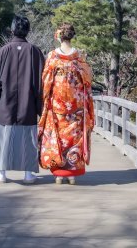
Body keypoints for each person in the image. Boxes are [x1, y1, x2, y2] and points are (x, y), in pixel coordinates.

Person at [0, 15, 45, 184]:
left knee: (4, 136)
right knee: (28, 137)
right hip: (28, 102)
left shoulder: (4, 50)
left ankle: (2, 173)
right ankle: (28, 174)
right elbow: (41, 80)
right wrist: (39, 102)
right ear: (28, 30)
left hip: (6, 100)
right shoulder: (34, 51)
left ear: (12, 29)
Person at [38, 22, 95, 185]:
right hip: (76, 104)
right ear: (72, 35)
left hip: (57, 104)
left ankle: (59, 175)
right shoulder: (80, 56)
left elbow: (46, 81)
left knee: (58, 138)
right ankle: (72, 175)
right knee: (74, 139)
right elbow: (87, 81)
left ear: (58, 36)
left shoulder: (52, 57)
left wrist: (46, 98)